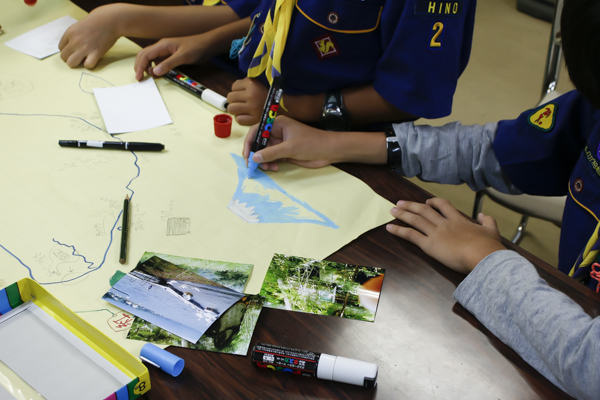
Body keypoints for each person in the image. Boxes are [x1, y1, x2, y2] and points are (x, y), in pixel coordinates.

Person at [241, 0, 600, 398]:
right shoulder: (592, 108)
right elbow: (492, 149)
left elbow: (589, 365)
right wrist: (339, 143)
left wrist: (486, 258)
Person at [59, 1, 477, 128]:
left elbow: (406, 97)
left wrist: (290, 107)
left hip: (333, 137)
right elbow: (258, 9)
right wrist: (208, 42)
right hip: (254, 105)